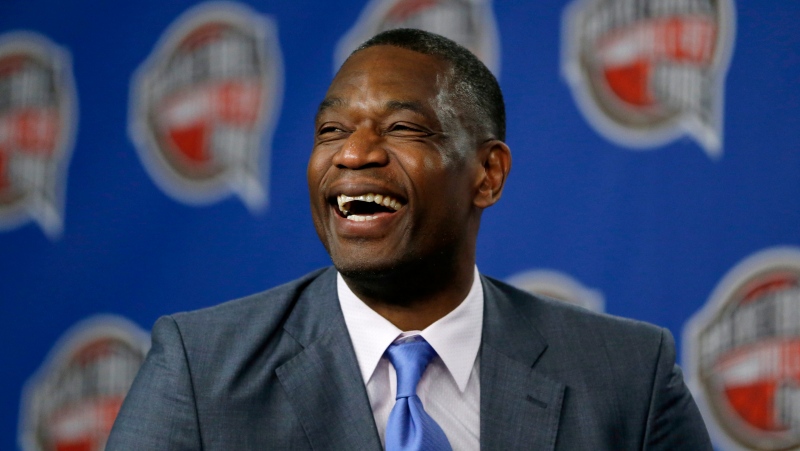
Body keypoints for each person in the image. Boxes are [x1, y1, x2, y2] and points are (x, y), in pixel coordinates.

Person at [107, 28, 711, 450]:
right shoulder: (199, 367)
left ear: (487, 174)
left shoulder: (628, 375)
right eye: (332, 129)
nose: (353, 153)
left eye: (400, 128)